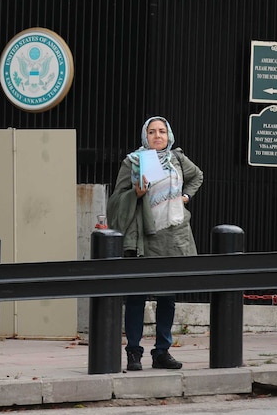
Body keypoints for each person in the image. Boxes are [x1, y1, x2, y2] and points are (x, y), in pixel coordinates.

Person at [107, 116, 204, 371]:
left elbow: (198, 177)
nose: (157, 136)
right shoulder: (134, 161)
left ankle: (162, 351)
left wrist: (186, 196)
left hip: (172, 234)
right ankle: (133, 352)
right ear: (145, 136)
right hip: (144, 236)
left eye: (162, 131)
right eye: (152, 132)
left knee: (167, 297)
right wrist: (136, 194)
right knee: (137, 296)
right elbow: (116, 200)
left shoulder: (177, 159)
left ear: (169, 135)